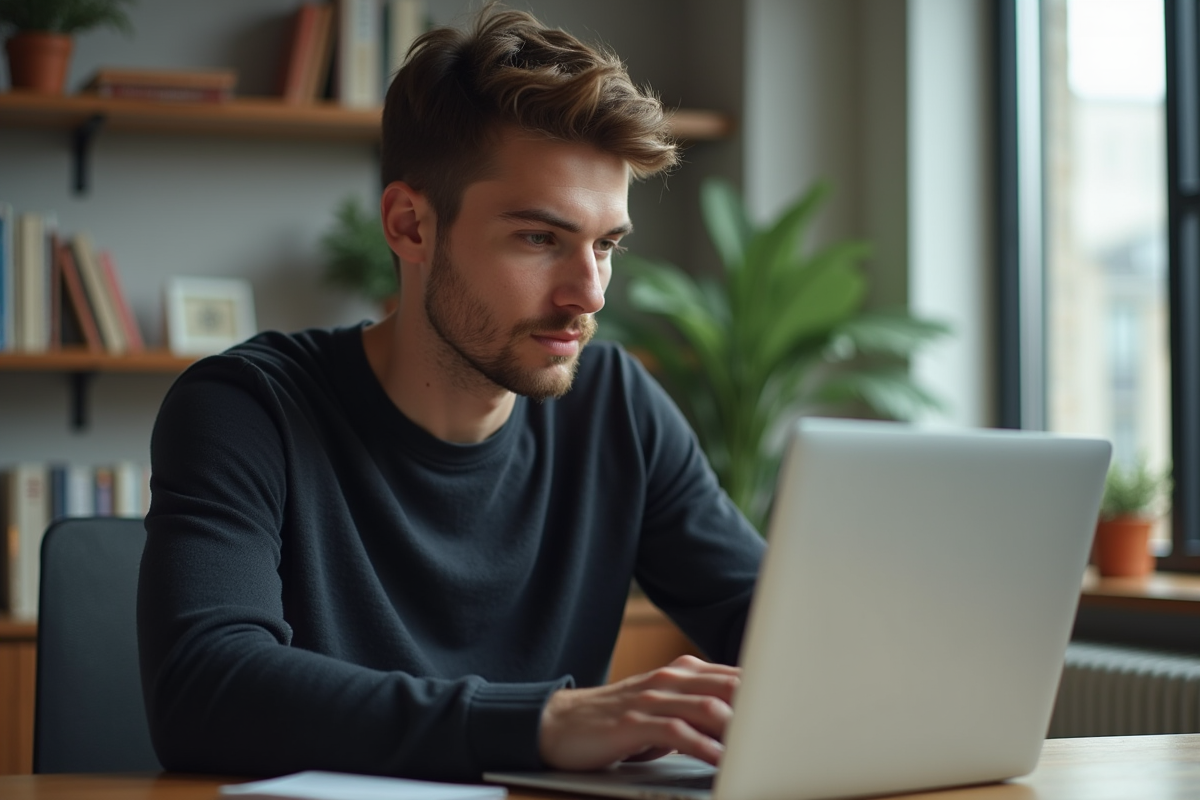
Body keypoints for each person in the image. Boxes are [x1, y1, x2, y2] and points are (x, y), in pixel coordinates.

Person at [137, 4, 765, 782]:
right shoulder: (246, 407)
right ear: (409, 226)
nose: (590, 293)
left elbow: (773, 629)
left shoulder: (617, 405)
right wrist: (541, 722)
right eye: (541, 239)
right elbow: (204, 690)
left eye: (605, 246)